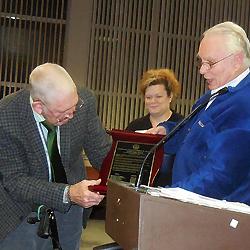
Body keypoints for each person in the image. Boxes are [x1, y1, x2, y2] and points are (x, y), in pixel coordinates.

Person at [0, 63, 111, 249]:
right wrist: (68, 193)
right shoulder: (6, 115)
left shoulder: (84, 102)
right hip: (22, 206)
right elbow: (14, 180)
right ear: (38, 107)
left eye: (74, 107)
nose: (72, 114)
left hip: (71, 208)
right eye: (63, 113)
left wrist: (131, 161)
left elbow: (101, 151)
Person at [148, 21, 250, 205]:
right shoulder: (214, 94)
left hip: (217, 216)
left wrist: (170, 196)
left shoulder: (245, 103)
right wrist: (165, 131)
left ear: (237, 60)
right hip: (194, 206)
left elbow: (221, 173)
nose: (202, 70)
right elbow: (191, 135)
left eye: (210, 63)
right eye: (201, 62)